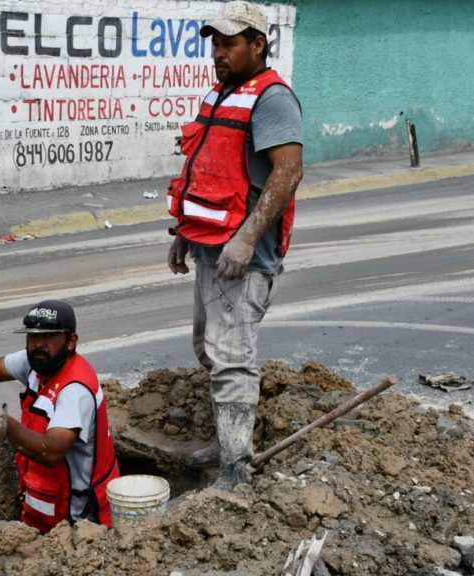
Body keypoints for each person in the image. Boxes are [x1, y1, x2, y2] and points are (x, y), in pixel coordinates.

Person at [165, 0, 304, 490]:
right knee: (209, 349)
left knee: (231, 359)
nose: (218, 54)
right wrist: (184, 233)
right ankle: (228, 444)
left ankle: (235, 470)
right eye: (215, 45)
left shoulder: (272, 99)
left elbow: (287, 173)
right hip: (209, 249)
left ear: (257, 45)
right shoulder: (222, 94)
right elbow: (207, 171)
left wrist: (246, 239)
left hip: (243, 259)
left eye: (228, 44)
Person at [0, 299, 120, 533]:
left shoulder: (75, 389)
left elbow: (53, 451)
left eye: (48, 337)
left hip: (78, 520)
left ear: (71, 341)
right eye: (33, 336)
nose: (38, 344)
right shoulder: (37, 363)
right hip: (43, 500)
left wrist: (6, 425)